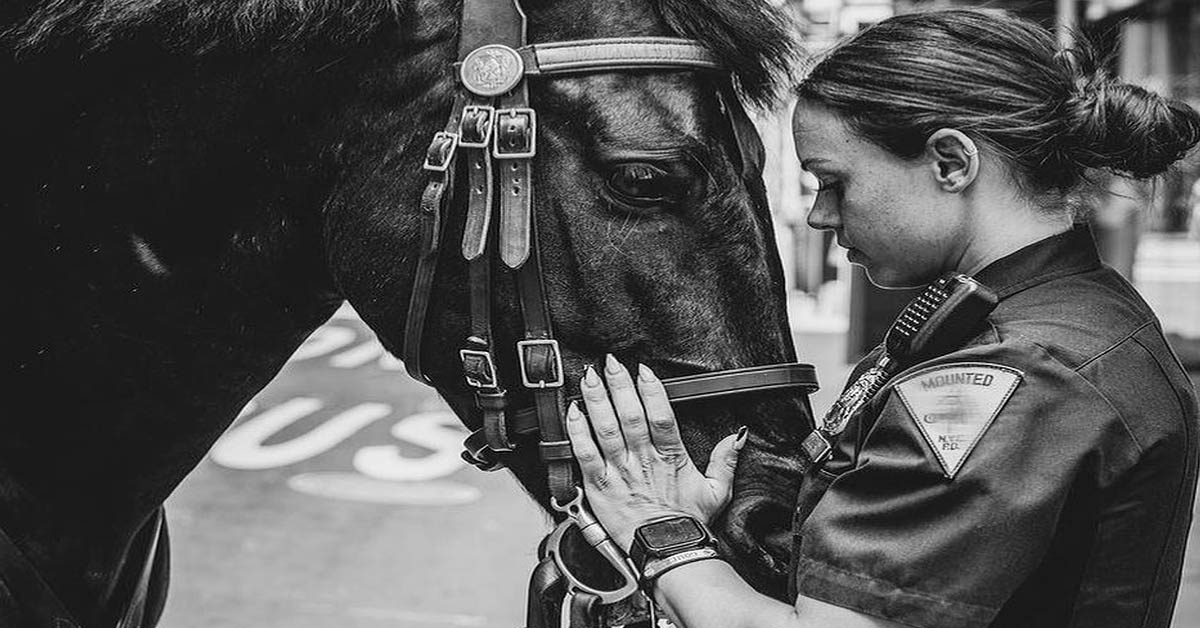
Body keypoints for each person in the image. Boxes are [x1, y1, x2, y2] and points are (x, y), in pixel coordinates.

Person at [562, 8, 1200, 628]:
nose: (821, 216)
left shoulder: (1016, 375)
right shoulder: (1077, 314)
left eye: (834, 182)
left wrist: (661, 535)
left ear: (951, 163)